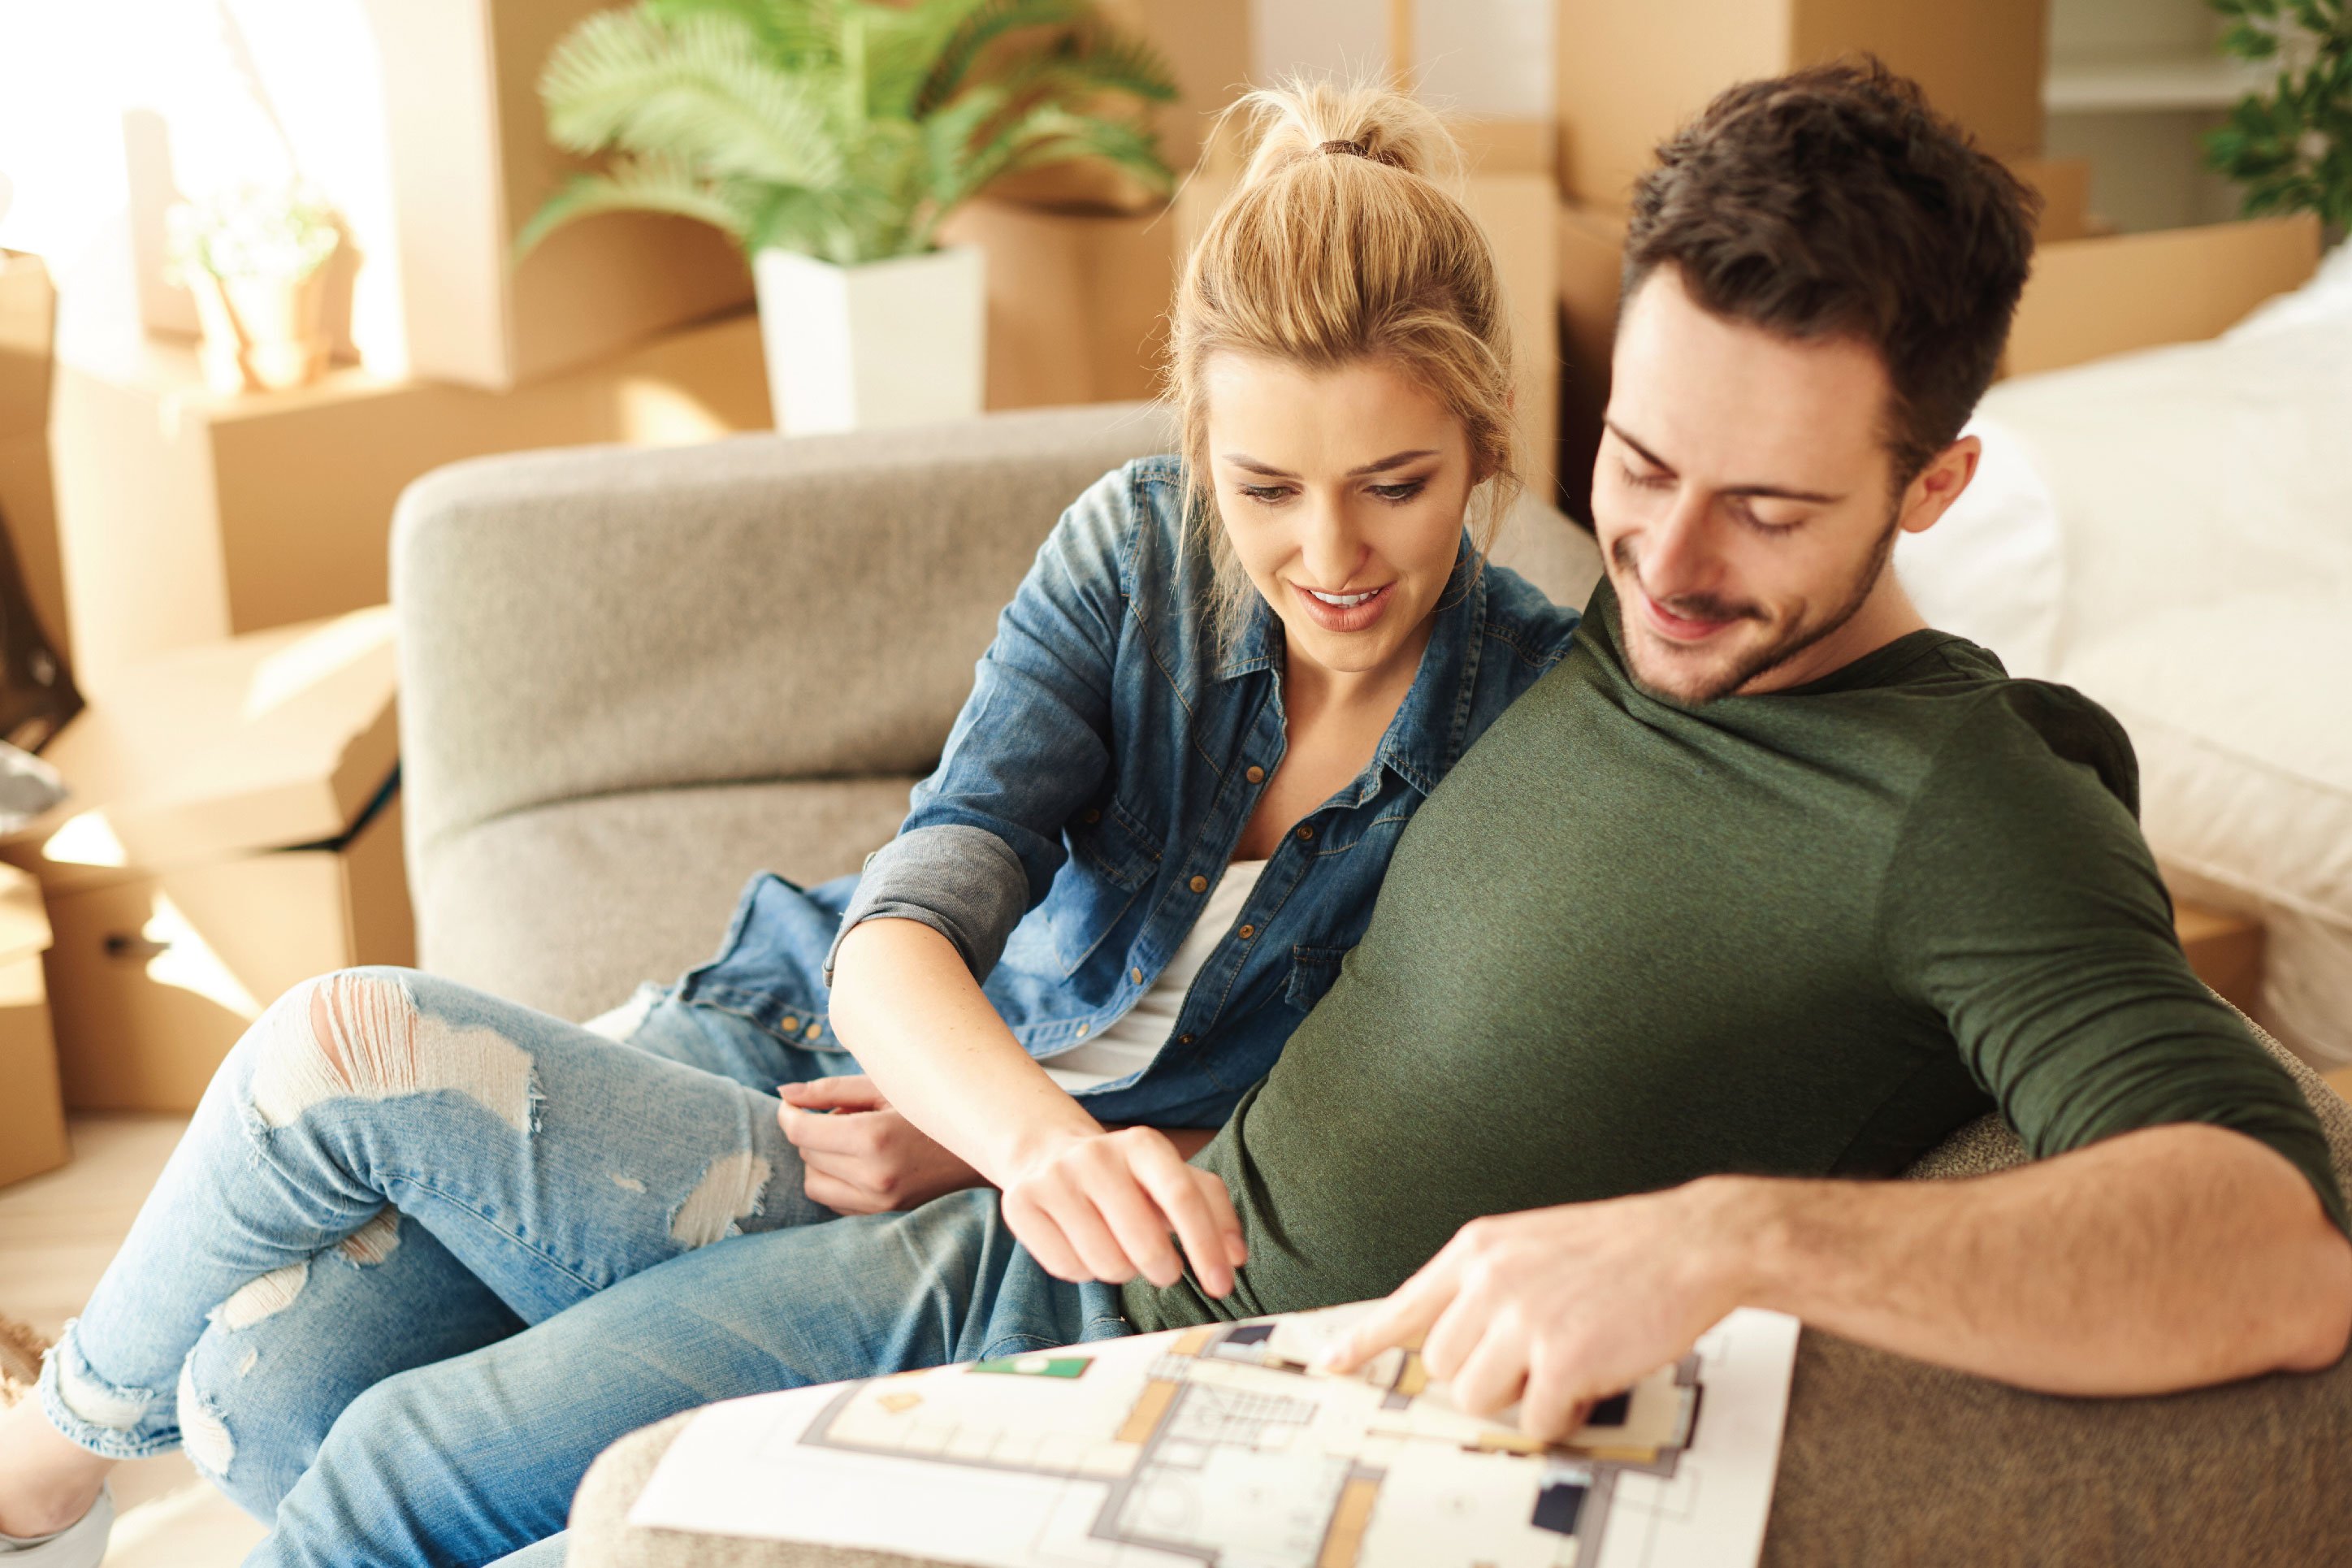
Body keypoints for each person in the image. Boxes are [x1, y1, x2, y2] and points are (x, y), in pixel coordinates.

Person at [28, 62, 2352, 1568]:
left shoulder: (1961, 791)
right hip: (1045, 1213)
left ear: (1937, 479)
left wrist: (1735, 1233)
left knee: (407, 1476)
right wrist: (1015, 1118)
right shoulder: (1556, 634)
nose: (1664, 558)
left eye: (1766, 510)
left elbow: (2272, 1239)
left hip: (1155, 1339)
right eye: (1641, 464)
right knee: (307, 1409)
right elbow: (1015, 920)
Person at [0, 83, 1581, 1566]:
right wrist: (1004, 1124)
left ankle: (52, 1463)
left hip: (969, 1200)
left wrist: (995, 1166)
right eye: (1262, 488)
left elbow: (1412, 1116)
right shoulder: (1133, 549)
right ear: (1194, 446)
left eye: (1393, 481)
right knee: (252, 1390)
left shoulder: (1532, 713)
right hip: (812, 1060)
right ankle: (63, 1455)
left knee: (339, 1240)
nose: (1329, 555)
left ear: (1485, 429)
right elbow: (906, 926)